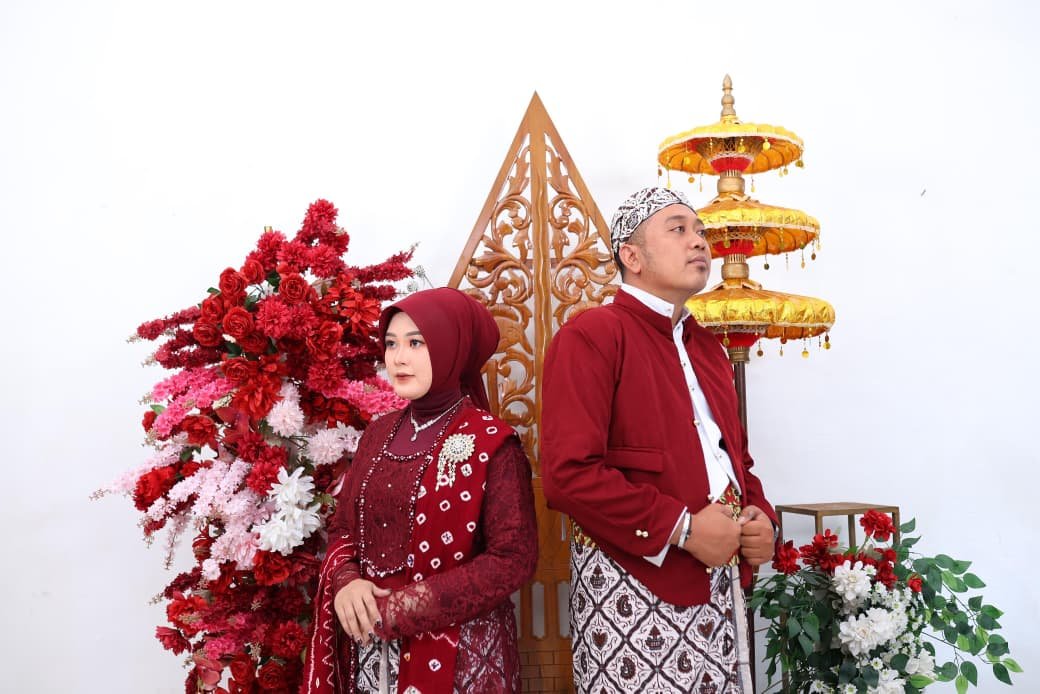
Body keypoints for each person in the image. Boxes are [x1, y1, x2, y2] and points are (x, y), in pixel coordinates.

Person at [541, 187, 777, 693]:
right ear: (632, 257)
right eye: (678, 230)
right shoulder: (592, 336)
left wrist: (761, 517)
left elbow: (736, 460)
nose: (699, 242)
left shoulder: (708, 348)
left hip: (722, 584)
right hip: (632, 583)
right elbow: (568, 476)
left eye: (701, 232)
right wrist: (684, 528)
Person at [304, 287, 538, 694]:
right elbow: (343, 527)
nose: (398, 358)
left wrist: (399, 609)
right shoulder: (378, 434)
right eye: (391, 344)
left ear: (452, 348)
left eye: (416, 343)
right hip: (371, 652)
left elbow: (513, 559)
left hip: (461, 658)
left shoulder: (492, 443)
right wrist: (347, 582)